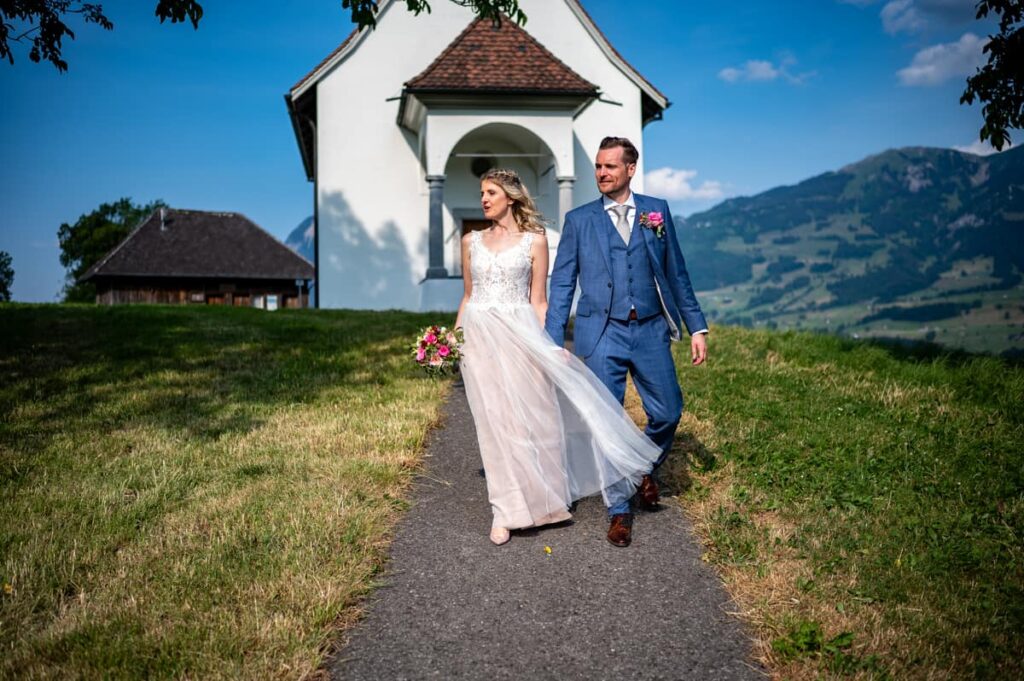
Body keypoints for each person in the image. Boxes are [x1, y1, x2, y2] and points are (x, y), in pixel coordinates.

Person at [455, 168, 662, 546]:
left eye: (490, 192)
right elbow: (468, 296)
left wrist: (551, 347)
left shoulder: (534, 241)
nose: (483, 199)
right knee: (495, 425)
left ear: (511, 198)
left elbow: (539, 301)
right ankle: (505, 511)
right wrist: (453, 343)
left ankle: (547, 502)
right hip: (480, 339)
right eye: (481, 192)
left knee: (536, 420)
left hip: (520, 335)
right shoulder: (470, 241)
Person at [545, 136, 709, 548]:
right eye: (599, 167)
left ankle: (640, 470)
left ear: (630, 169)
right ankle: (619, 510)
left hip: (650, 328)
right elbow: (562, 281)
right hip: (601, 332)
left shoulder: (657, 212)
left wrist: (697, 326)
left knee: (669, 411)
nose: (601, 173)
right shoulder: (580, 220)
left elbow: (677, 273)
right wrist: (551, 340)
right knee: (607, 421)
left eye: (610, 167)